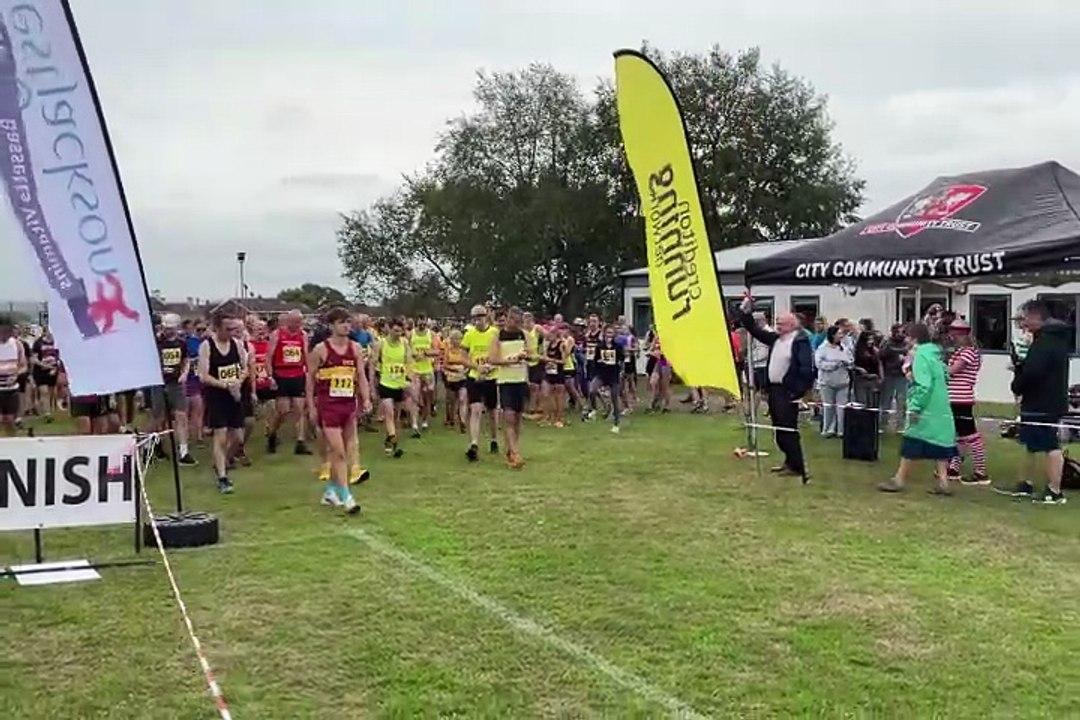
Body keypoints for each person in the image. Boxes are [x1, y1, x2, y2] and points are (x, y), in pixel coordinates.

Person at [996, 301, 1070, 504]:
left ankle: (1055, 491)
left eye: (1026, 318)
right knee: (1029, 443)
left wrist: (1018, 382)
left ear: (1037, 317)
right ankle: (1024, 483)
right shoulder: (1047, 340)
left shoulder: (1046, 342)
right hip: (1038, 400)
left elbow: (1034, 372)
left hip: (1043, 402)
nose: (1024, 323)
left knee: (1050, 444)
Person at [739, 297, 815, 481]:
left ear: (792, 325)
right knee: (779, 429)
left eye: (781, 323)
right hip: (774, 390)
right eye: (777, 323)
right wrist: (746, 308)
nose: (777, 326)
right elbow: (752, 328)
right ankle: (790, 463)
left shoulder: (800, 341)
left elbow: (806, 369)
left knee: (788, 430)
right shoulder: (776, 339)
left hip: (787, 391)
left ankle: (799, 466)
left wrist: (797, 392)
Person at [307, 307, 371, 513]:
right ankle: (347, 497)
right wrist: (311, 406)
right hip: (328, 406)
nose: (346, 326)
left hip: (348, 405)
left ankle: (331, 491)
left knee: (342, 451)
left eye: (348, 322)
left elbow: (361, 375)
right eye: (341, 322)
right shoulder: (320, 350)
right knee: (339, 452)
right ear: (332, 325)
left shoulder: (355, 348)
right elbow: (309, 381)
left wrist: (367, 398)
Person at [878, 322, 955, 495]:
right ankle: (944, 482)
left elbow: (923, 385)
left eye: (907, 336)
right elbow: (946, 375)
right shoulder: (935, 355)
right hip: (940, 406)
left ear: (913, 338)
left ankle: (899, 480)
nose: (905, 339)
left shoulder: (921, 356)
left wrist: (915, 407)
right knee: (940, 445)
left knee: (911, 443)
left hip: (925, 407)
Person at [198, 311, 248, 494]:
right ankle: (222, 477)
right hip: (216, 396)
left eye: (235, 329)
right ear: (217, 328)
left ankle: (223, 461)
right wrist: (225, 385)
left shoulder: (238, 344)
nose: (232, 332)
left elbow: (244, 369)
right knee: (220, 436)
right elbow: (204, 375)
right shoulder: (207, 346)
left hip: (234, 395)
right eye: (228, 329)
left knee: (238, 437)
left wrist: (238, 382)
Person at [488, 306, 533, 468]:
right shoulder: (498, 336)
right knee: (509, 417)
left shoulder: (524, 335)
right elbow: (492, 359)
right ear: (507, 318)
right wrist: (510, 361)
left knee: (518, 418)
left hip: (521, 380)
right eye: (513, 319)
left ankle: (512, 449)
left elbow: (531, 355)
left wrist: (526, 355)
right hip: (505, 381)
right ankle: (515, 453)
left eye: (519, 320)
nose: (516, 322)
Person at [944, 320, 988, 485]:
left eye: (954, 334)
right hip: (954, 397)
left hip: (961, 398)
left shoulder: (968, 352)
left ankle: (981, 471)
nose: (951, 337)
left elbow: (952, 371)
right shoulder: (960, 351)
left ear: (962, 335)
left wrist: (937, 367)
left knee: (970, 435)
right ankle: (954, 467)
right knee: (957, 435)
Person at [151, 313, 197, 465]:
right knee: (159, 418)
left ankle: (184, 452)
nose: (169, 331)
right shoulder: (157, 342)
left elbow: (186, 359)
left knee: (181, 416)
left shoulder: (181, 343)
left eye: (171, 328)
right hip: (159, 384)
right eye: (166, 328)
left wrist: (184, 373)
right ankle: (155, 446)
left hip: (175, 384)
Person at [266, 309, 311, 455]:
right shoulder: (277, 334)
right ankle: (272, 434)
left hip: (298, 373)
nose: (298, 325)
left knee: (299, 409)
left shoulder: (302, 335)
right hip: (281, 374)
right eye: (295, 321)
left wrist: (309, 373)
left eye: (300, 322)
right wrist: (270, 376)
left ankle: (300, 442)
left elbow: (305, 354)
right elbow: (268, 357)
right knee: (283, 411)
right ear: (288, 321)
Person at [461, 305, 500, 461]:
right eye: (475, 317)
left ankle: (494, 439)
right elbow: (463, 358)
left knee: (492, 411)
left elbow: (500, 354)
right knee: (475, 409)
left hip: (492, 376)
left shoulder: (495, 333)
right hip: (475, 377)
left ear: (487, 316)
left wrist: (491, 367)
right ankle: (474, 444)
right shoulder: (469, 334)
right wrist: (477, 367)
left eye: (481, 316)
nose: (478, 320)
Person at [372, 317, 412, 458]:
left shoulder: (405, 343)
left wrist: (409, 379)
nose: (397, 334)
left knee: (396, 416)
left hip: (400, 384)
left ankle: (391, 441)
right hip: (385, 382)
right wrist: (373, 382)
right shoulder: (380, 344)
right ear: (389, 329)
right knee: (388, 413)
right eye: (395, 331)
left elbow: (409, 363)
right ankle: (393, 438)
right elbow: (374, 363)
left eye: (400, 331)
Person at [814, 325, 852, 439]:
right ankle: (828, 429)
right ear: (833, 335)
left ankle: (841, 430)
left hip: (842, 382)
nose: (841, 336)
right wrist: (833, 365)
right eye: (839, 334)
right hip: (827, 382)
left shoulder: (843, 347)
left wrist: (847, 363)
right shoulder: (823, 348)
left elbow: (850, 360)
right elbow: (819, 364)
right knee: (828, 407)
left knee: (841, 408)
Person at [594, 324, 625, 433]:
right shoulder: (599, 346)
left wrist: (620, 369)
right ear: (604, 334)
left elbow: (622, 359)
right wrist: (599, 362)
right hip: (602, 374)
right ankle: (594, 409)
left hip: (613, 374)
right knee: (592, 390)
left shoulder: (618, 346)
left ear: (614, 335)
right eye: (607, 333)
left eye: (611, 333)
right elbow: (595, 360)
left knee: (614, 398)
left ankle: (616, 423)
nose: (609, 335)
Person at [878, 323, 909, 432]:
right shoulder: (887, 343)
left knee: (902, 401)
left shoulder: (906, 343)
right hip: (889, 375)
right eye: (901, 332)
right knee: (886, 400)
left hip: (901, 375)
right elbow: (881, 355)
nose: (903, 334)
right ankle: (883, 424)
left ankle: (900, 425)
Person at [0, 315, 26, 437]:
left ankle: (12, 445)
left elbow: (24, 365)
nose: (4, 334)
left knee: (10, 420)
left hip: (12, 389)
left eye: (7, 331)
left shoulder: (17, 344)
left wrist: (17, 374)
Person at [30, 327, 60, 422]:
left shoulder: (57, 342)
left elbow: (59, 357)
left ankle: (50, 409)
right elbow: (33, 358)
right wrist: (42, 364)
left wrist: (55, 368)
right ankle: (47, 413)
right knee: (44, 392)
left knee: (51, 392)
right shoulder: (38, 343)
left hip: (53, 370)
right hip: (40, 370)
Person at [443, 329, 469, 432]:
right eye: (455, 339)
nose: (457, 341)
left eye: (459, 339)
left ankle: (462, 421)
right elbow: (444, 364)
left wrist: (465, 370)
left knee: (462, 399)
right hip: (451, 378)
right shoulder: (448, 350)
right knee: (452, 401)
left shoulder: (464, 351)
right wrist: (453, 368)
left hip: (462, 378)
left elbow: (468, 363)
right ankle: (451, 418)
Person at [542, 323, 568, 426]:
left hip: (558, 373)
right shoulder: (549, 345)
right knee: (546, 394)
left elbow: (564, 361)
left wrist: (551, 360)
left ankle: (559, 418)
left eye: (550, 334)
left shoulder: (561, 344)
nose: (548, 336)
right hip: (549, 372)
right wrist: (545, 360)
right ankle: (548, 417)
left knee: (559, 396)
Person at [851, 331, 882, 407]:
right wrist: (859, 369)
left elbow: (879, 365)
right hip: (861, 379)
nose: (871, 341)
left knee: (873, 403)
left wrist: (880, 377)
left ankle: (873, 419)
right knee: (862, 403)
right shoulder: (857, 351)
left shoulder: (875, 351)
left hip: (873, 379)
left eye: (872, 339)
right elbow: (851, 364)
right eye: (869, 339)